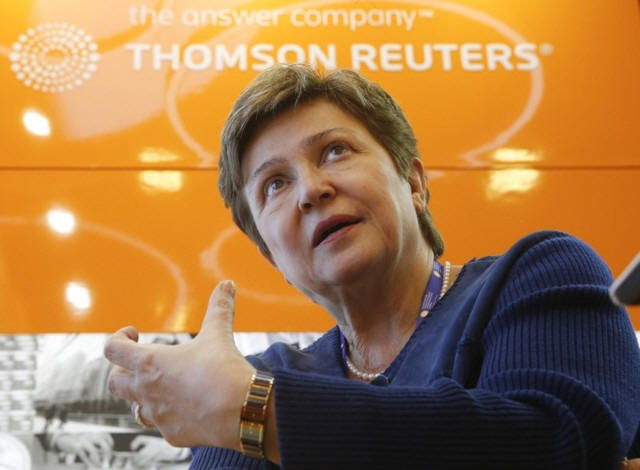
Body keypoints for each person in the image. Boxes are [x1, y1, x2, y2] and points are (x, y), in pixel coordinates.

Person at [104, 64, 640, 469]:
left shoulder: (538, 275)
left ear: (413, 182)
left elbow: (559, 441)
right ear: (270, 255)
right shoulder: (266, 375)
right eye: (275, 184)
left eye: (335, 151)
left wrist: (257, 413)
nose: (311, 190)